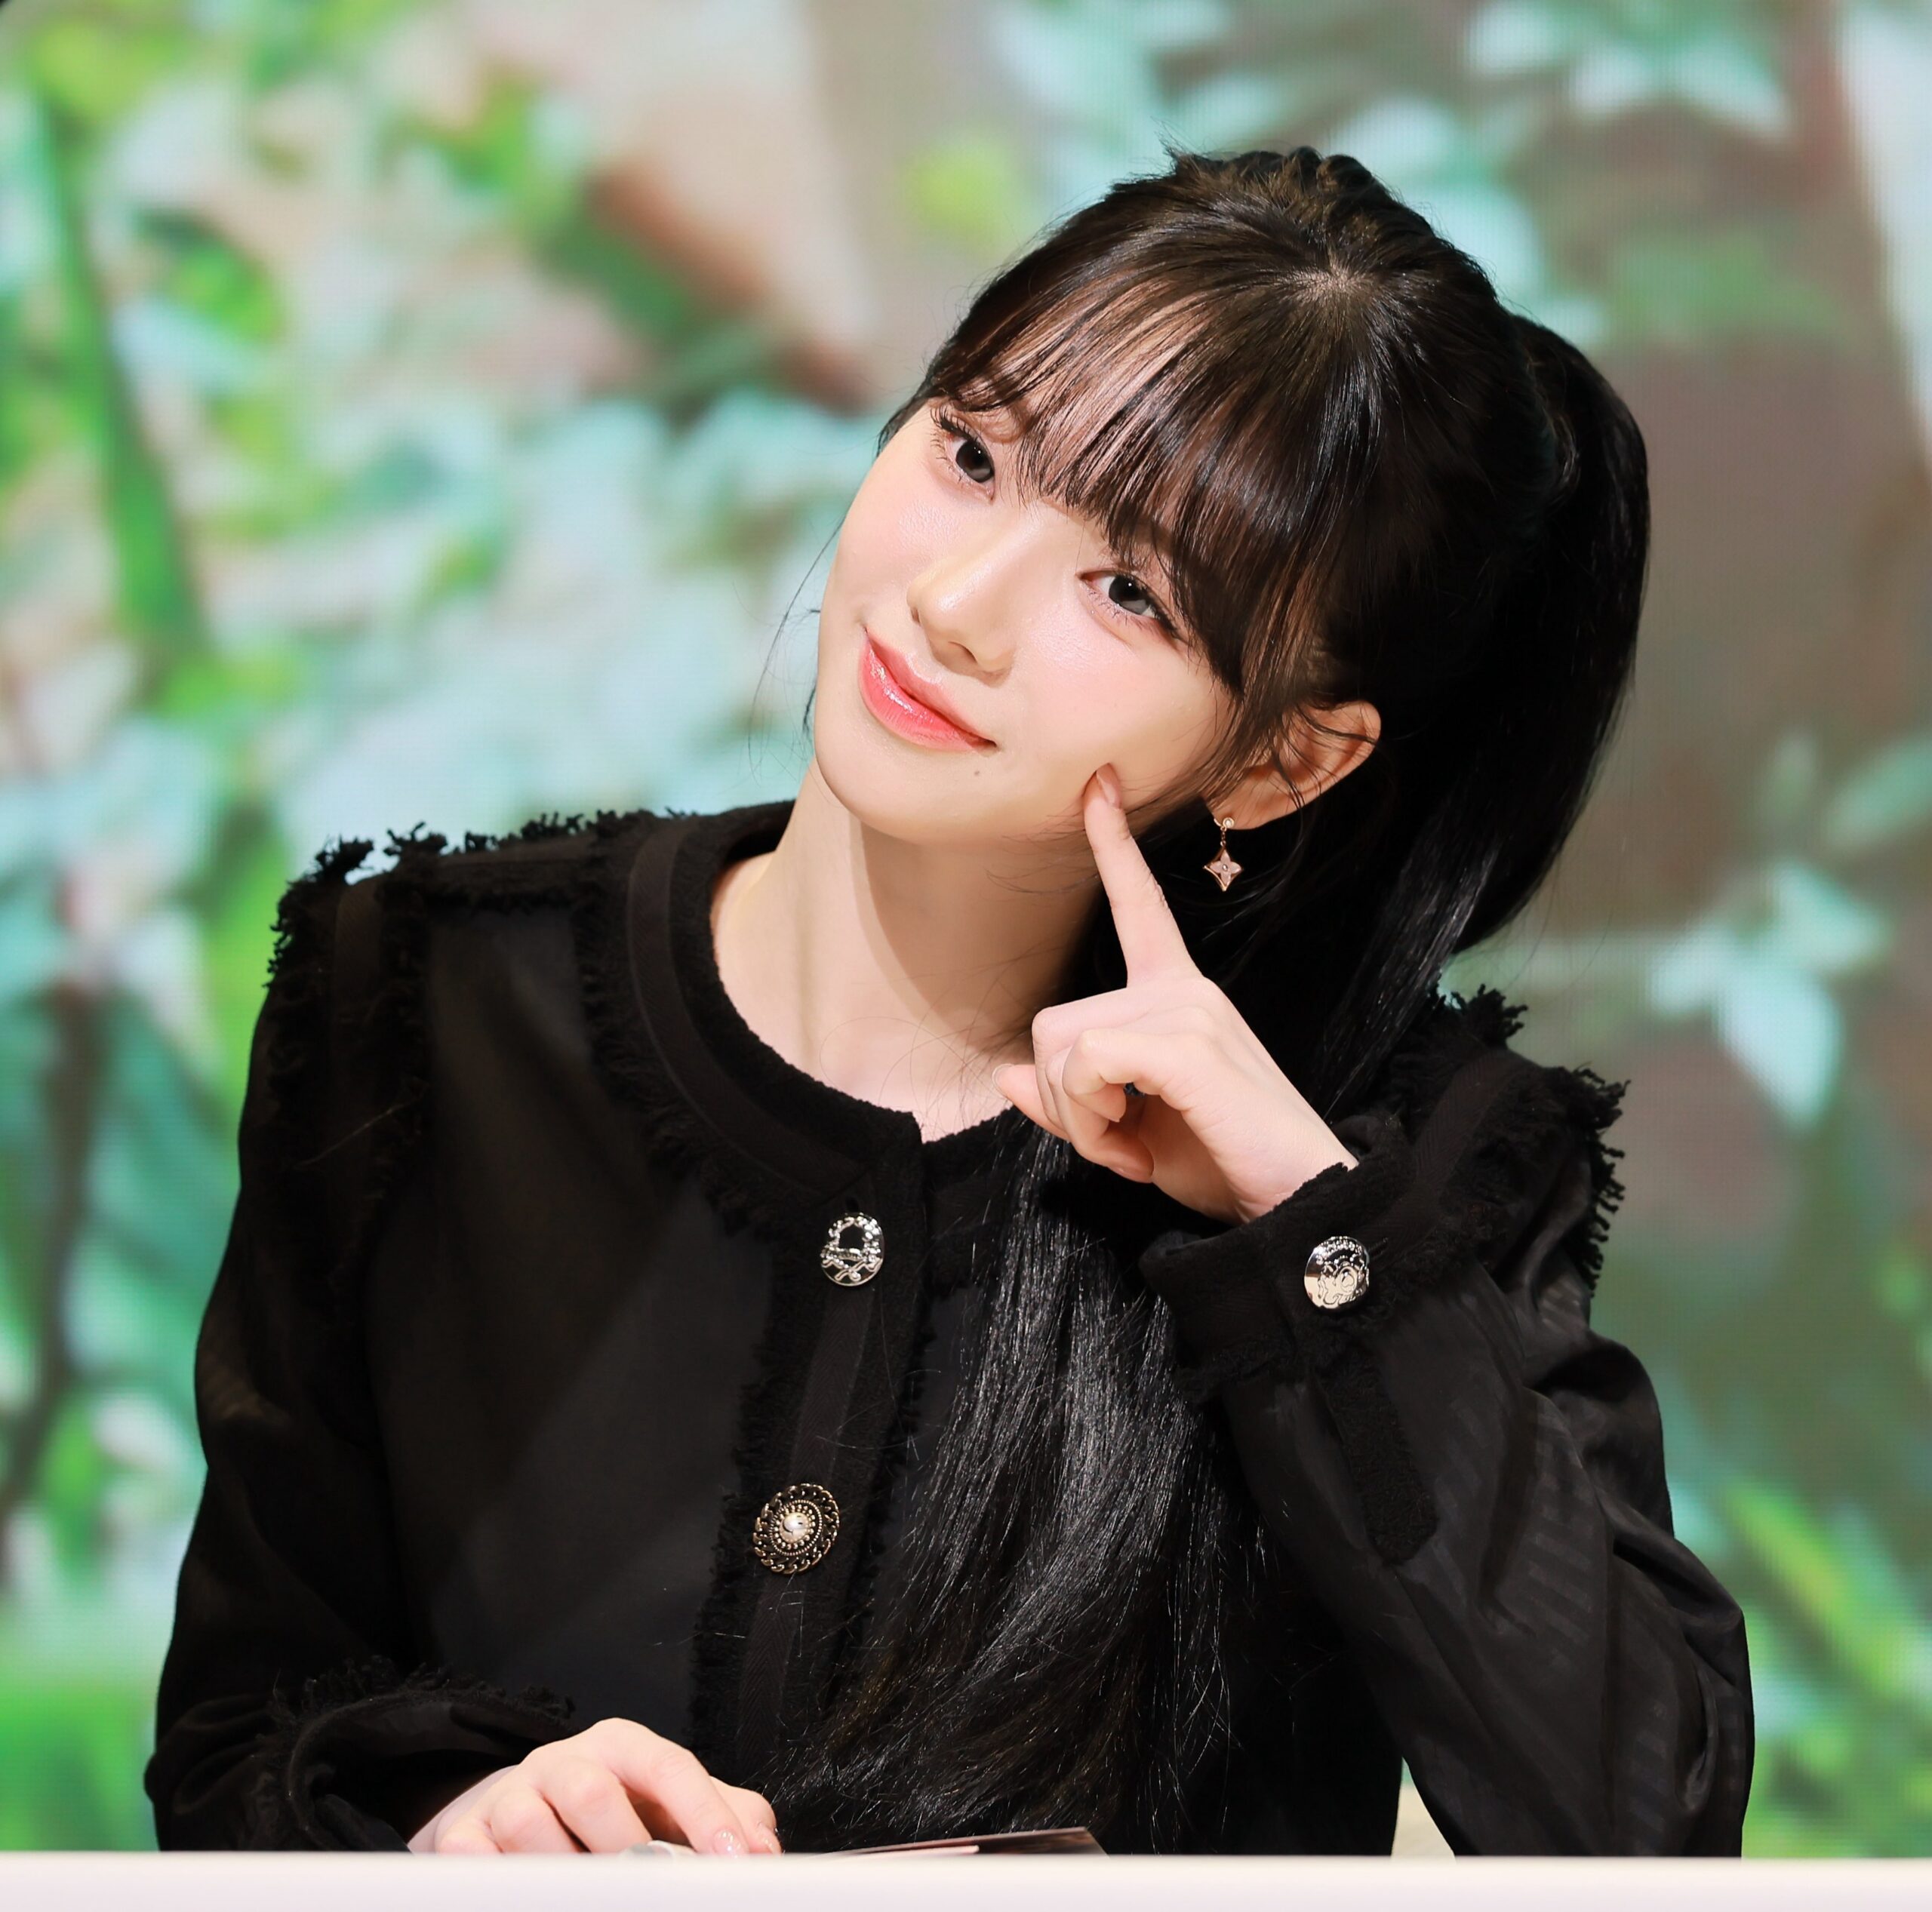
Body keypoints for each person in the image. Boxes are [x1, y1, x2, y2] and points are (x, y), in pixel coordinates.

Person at [144, 144, 1753, 1857]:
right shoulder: (424, 997)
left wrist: (1306, 1231)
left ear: (1286, 761)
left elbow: (1639, 1839)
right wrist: (443, 1819)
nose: (954, 604)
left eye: (1129, 591)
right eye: (972, 453)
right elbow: (235, 1747)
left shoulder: (1398, 1156)